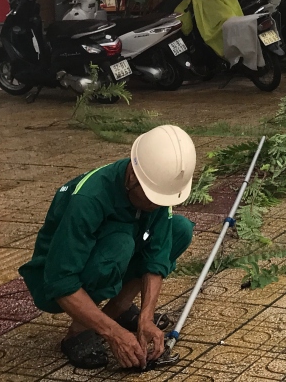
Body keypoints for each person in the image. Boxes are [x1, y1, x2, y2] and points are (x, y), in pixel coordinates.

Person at [20, 126, 197, 369]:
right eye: (153, 198)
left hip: (111, 258)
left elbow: (155, 258)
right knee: (119, 245)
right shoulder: (89, 199)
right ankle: (78, 333)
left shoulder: (154, 186)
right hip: (56, 278)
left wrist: (146, 318)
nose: (157, 205)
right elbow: (60, 280)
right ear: (133, 177)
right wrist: (114, 335)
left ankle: (119, 311)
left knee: (180, 229)